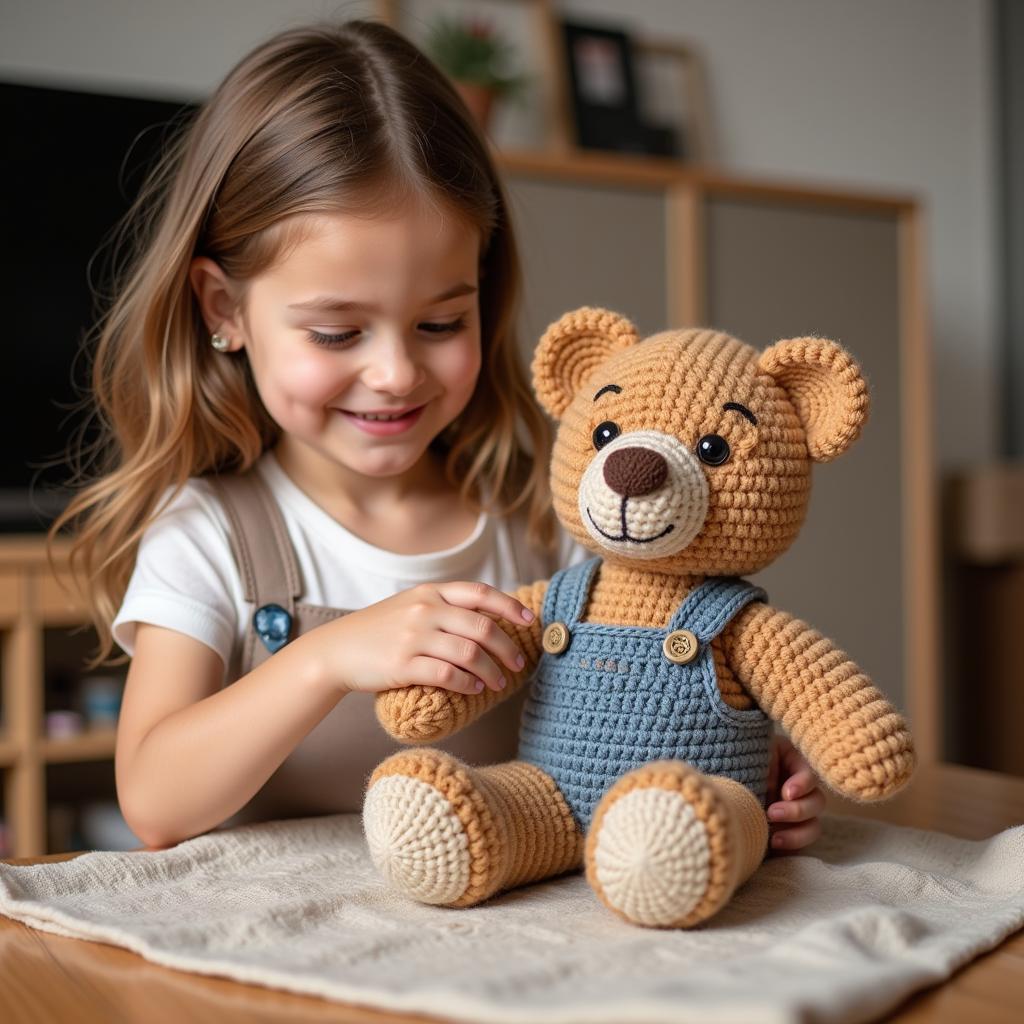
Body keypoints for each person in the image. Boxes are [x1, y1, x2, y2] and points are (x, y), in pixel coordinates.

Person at [49, 20, 824, 854]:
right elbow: (156, 801)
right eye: (338, 333)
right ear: (224, 310)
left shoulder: (538, 524)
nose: (395, 372)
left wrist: (736, 773)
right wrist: (326, 660)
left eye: (440, 321)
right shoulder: (209, 535)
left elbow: (630, 730)